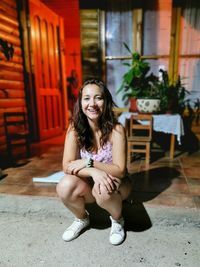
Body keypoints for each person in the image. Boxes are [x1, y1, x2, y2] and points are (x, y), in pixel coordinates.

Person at [56, 79, 131, 246]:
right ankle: (82, 219)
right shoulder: (74, 129)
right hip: (89, 184)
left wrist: (89, 162)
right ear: (80, 102)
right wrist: (92, 171)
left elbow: (120, 170)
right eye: (87, 98)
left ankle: (118, 220)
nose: (92, 104)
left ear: (106, 101)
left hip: (117, 185)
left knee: (103, 189)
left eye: (98, 98)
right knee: (64, 185)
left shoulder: (116, 130)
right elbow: (67, 165)